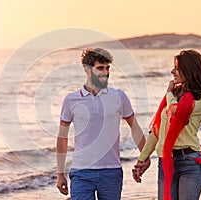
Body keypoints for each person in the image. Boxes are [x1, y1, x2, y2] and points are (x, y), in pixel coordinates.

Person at [56, 48, 147, 199]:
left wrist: (145, 157)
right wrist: (60, 174)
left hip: (111, 172)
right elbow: (62, 137)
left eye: (107, 68)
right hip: (81, 172)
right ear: (87, 69)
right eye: (100, 68)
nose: (105, 72)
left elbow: (135, 128)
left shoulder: (119, 96)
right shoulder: (71, 100)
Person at [132, 49, 201, 200]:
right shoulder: (174, 95)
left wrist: (168, 93)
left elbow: (175, 113)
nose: (172, 71)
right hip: (165, 161)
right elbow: (157, 130)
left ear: (189, 70)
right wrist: (142, 159)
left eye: (177, 68)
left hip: (189, 162)